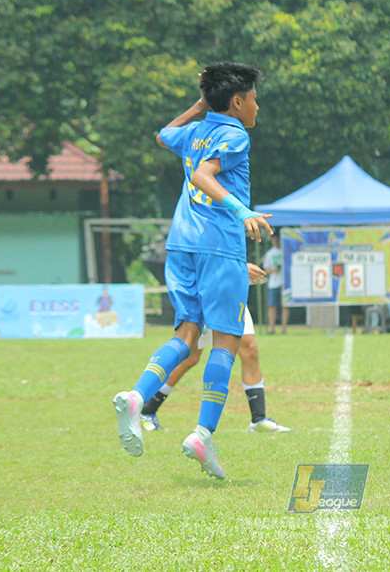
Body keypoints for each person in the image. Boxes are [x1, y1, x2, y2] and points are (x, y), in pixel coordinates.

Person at [112, 61, 271, 481]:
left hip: (182, 243)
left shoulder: (196, 131)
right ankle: (202, 434)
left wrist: (201, 105)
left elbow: (164, 134)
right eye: (254, 99)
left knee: (186, 335)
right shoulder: (235, 135)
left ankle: (137, 397)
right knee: (227, 341)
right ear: (237, 102)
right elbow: (203, 175)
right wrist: (242, 211)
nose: (257, 106)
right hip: (219, 245)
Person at [140, 263, 293, 434]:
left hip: (232, 294)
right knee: (190, 356)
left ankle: (259, 419)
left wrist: (238, 267)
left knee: (249, 349)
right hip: (208, 292)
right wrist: (237, 268)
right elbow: (204, 255)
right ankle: (147, 409)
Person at [261, 233, 288, 334]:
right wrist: (274, 270)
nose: (276, 241)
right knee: (272, 306)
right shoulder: (269, 254)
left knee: (285, 306)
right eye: (274, 239)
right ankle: (271, 328)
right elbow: (265, 270)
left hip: (285, 282)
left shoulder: (285, 251)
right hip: (273, 283)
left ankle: (283, 329)